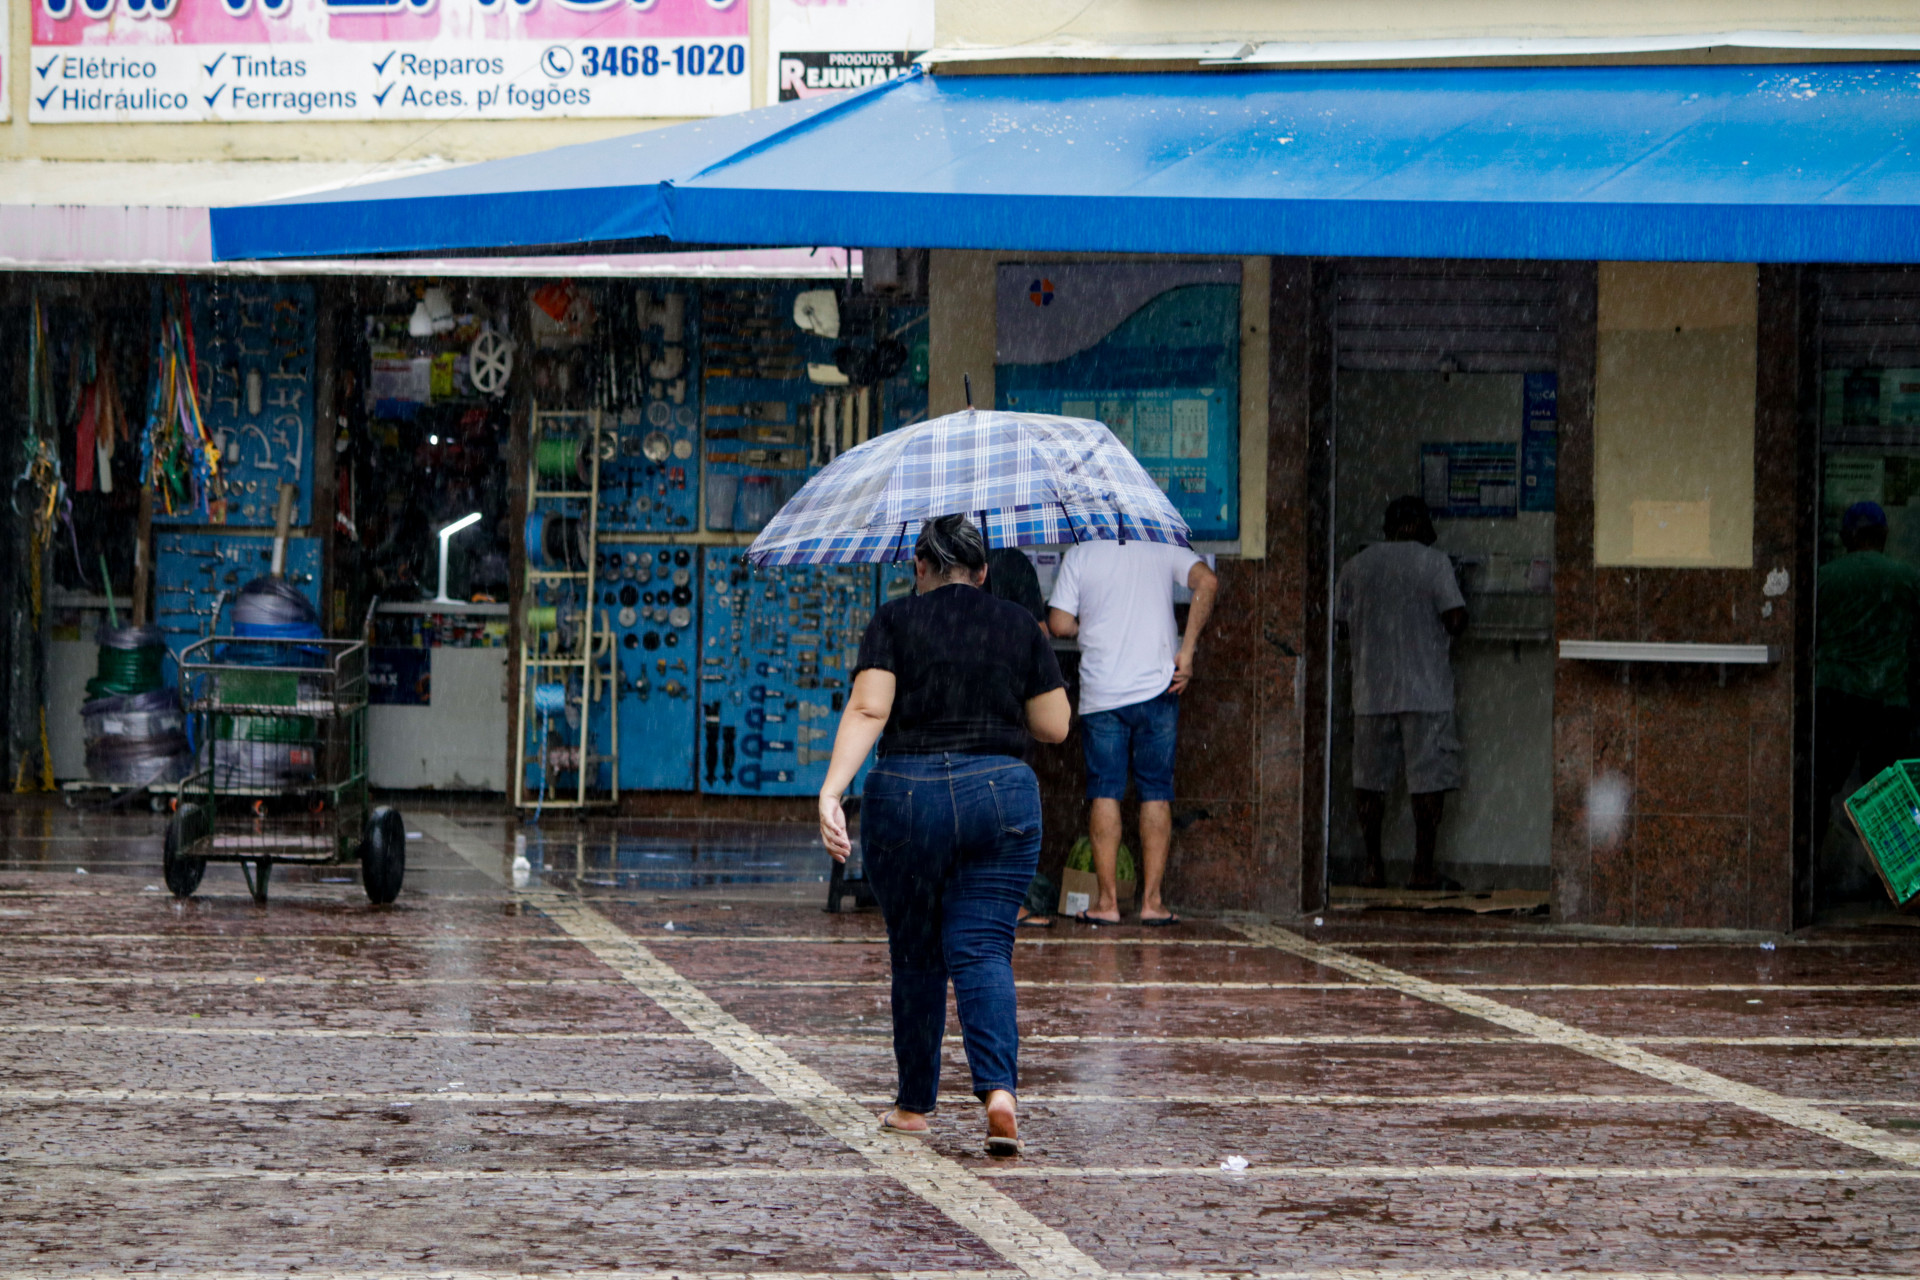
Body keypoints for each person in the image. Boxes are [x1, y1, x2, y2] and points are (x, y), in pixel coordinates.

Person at [818, 515, 1069, 1156]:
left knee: (918, 952)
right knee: (984, 948)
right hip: (1001, 796)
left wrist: (832, 791)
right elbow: (1055, 726)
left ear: (920, 567)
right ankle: (1000, 1093)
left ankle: (912, 1105)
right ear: (984, 571)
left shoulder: (895, 620)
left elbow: (870, 708)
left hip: (908, 796)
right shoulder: (1018, 624)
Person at [1047, 538, 1218, 926]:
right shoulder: (1161, 547)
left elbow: (1058, 622)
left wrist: (1084, 625)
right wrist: (1186, 651)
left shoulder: (1081, 554)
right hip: (1159, 689)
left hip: (1103, 693)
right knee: (1155, 791)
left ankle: (1107, 903)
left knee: (1104, 790)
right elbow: (1207, 582)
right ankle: (1152, 903)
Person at [1334, 495, 1468, 891]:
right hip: (1425, 692)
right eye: (1428, 522)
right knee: (1427, 783)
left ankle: (1373, 865)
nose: (1434, 532)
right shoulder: (1434, 563)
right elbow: (1455, 619)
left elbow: (1339, 626)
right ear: (1415, 524)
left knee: (1369, 781)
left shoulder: (1356, 566)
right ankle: (1421, 869)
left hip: (1371, 692)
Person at [1813, 500, 1920, 839]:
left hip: (1836, 697)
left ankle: (1809, 861)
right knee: (1888, 795)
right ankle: (1896, 879)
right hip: (1888, 702)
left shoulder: (1824, 579)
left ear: (1846, 537)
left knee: (1820, 787)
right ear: (1884, 534)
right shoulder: (1907, 578)